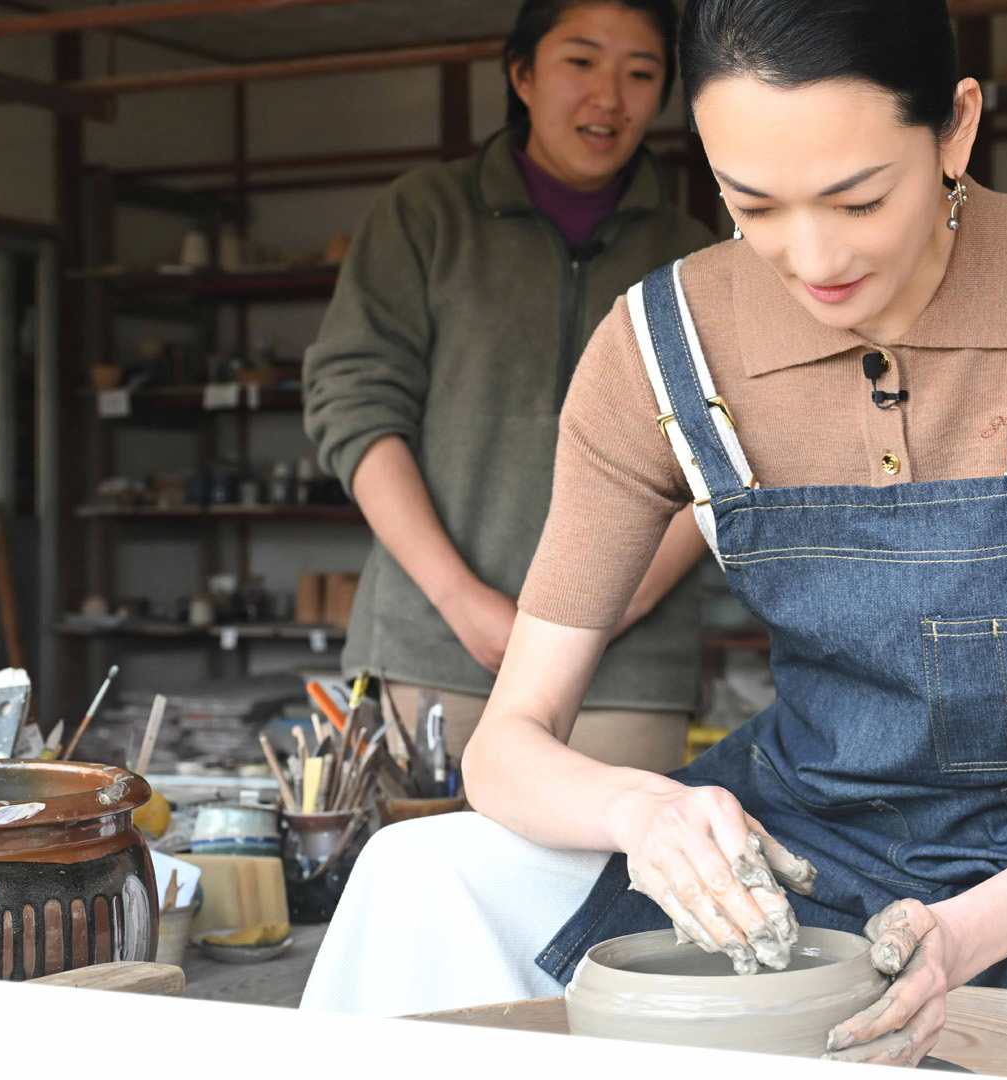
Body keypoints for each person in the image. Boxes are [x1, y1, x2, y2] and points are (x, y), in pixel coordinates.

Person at [304, 2, 1007, 1076]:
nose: (808, 257)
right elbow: (509, 746)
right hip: (810, 836)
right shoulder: (659, 342)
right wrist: (640, 809)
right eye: (754, 202)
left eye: (855, 198)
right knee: (419, 873)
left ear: (956, 128)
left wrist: (965, 936)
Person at [303, 0, 712, 774]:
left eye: (641, 72)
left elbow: (732, 442)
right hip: (435, 647)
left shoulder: (695, 257)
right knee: (428, 878)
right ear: (522, 74)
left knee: (613, 889)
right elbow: (354, 406)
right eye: (581, 61)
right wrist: (459, 599)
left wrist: (618, 603)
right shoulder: (424, 215)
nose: (609, 96)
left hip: (625, 670)